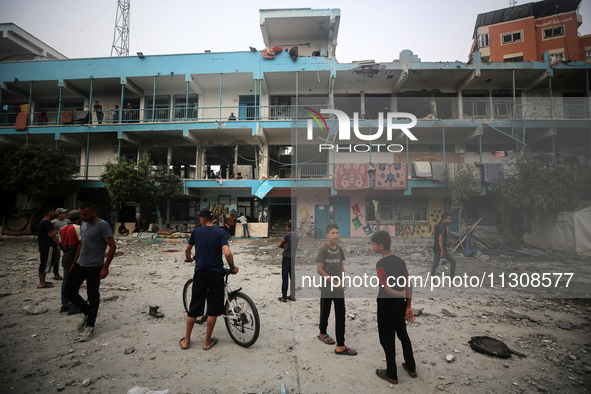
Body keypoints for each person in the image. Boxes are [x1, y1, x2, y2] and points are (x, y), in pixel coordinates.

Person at [180, 208, 238, 351]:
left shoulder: (196, 232)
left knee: (194, 307)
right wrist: (232, 267)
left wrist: (189, 259)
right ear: (213, 219)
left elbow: (187, 250)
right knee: (213, 309)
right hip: (216, 274)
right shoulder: (220, 232)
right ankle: (207, 342)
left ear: (202, 219)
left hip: (200, 273)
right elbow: (227, 253)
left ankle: (186, 340)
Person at [64, 202, 116, 342]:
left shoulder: (103, 225)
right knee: (68, 291)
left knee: (92, 296)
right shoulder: (84, 224)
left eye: (85, 214)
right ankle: (88, 312)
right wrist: (74, 261)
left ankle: (90, 325)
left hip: (94, 266)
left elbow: (112, 246)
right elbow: (82, 243)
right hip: (80, 264)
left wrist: (106, 267)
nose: (82, 217)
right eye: (81, 215)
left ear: (94, 212)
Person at [371, 230, 417, 384]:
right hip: (400, 306)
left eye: (373, 244)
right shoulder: (399, 261)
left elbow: (388, 290)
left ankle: (391, 374)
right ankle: (411, 367)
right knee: (403, 335)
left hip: (386, 306)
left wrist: (402, 295)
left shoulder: (380, 264)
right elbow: (409, 283)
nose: (372, 247)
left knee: (387, 339)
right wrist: (408, 305)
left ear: (381, 246)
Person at [316, 223, 357, 356]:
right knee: (325, 312)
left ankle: (340, 345)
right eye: (333, 233)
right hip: (327, 288)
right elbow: (320, 270)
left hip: (339, 288)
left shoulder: (339, 249)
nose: (335, 235)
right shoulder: (323, 250)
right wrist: (334, 282)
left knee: (340, 315)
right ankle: (322, 333)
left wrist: (343, 280)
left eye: (337, 233)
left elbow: (341, 266)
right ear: (327, 235)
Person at [59, 210, 83, 314]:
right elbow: (82, 244)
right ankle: (74, 305)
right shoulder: (78, 228)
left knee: (66, 281)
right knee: (74, 282)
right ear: (79, 218)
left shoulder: (63, 229)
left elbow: (60, 244)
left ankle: (65, 303)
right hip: (75, 258)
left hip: (66, 256)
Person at [37, 207, 59, 289]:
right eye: (52, 212)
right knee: (46, 263)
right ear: (49, 212)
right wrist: (57, 245)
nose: (53, 214)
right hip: (47, 246)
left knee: (46, 262)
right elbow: (51, 235)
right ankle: (42, 282)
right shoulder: (46, 223)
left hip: (44, 245)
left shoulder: (44, 222)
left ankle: (43, 281)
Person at [430, 213, 457, 279]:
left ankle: (432, 279)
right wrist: (442, 251)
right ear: (444, 219)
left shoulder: (439, 225)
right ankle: (452, 279)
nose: (450, 220)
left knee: (435, 264)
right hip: (441, 249)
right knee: (453, 262)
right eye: (449, 219)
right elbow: (440, 239)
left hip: (436, 248)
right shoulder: (442, 227)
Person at [278, 222, 298, 302]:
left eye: (287, 227)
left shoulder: (287, 236)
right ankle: (293, 296)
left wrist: (284, 247)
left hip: (286, 257)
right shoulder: (296, 236)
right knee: (292, 277)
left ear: (289, 228)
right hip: (293, 257)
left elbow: (280, 245)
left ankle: (284, 297)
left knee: (285, 277)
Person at [51, 208, 70, 280]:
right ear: (58, 214)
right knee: (56, 258)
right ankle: (56, 274)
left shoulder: (67, 221)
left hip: (66, 241)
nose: (65, 214)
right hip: (57, 241)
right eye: (63, 213)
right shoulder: (53, 222)